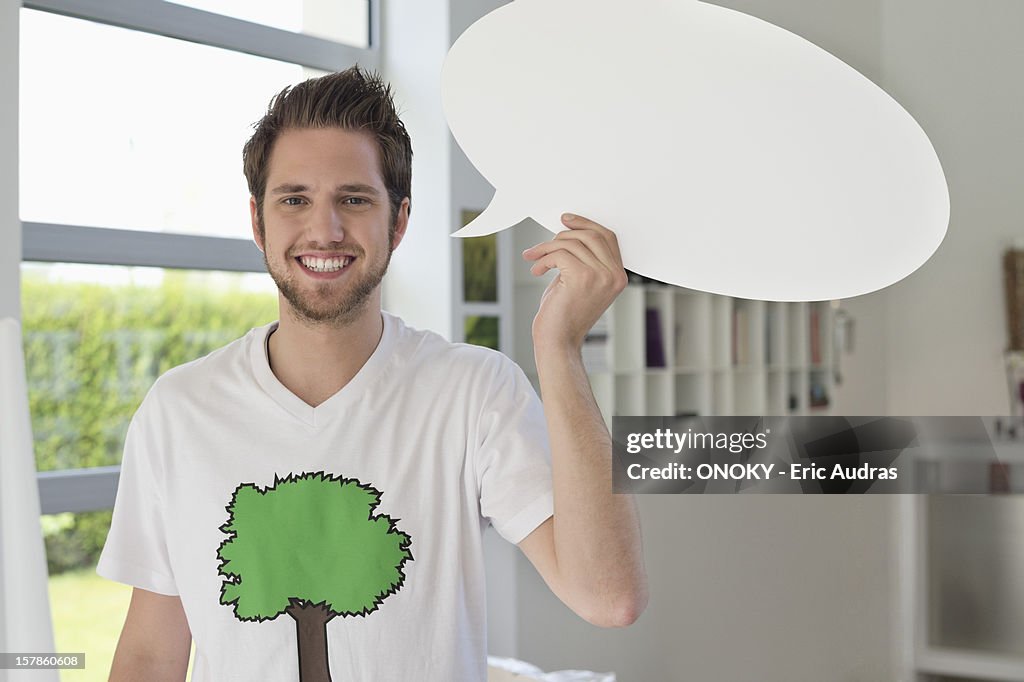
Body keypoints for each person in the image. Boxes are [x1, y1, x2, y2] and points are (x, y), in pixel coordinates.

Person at [98, 66, 646, 682]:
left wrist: (560, 348)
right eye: (294, 199)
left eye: (354, 199)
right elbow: (150, 655)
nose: (324, 230)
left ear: (399, 220)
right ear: (258, 222)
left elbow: (608, 596)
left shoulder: (472, 392)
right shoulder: (180, 410)